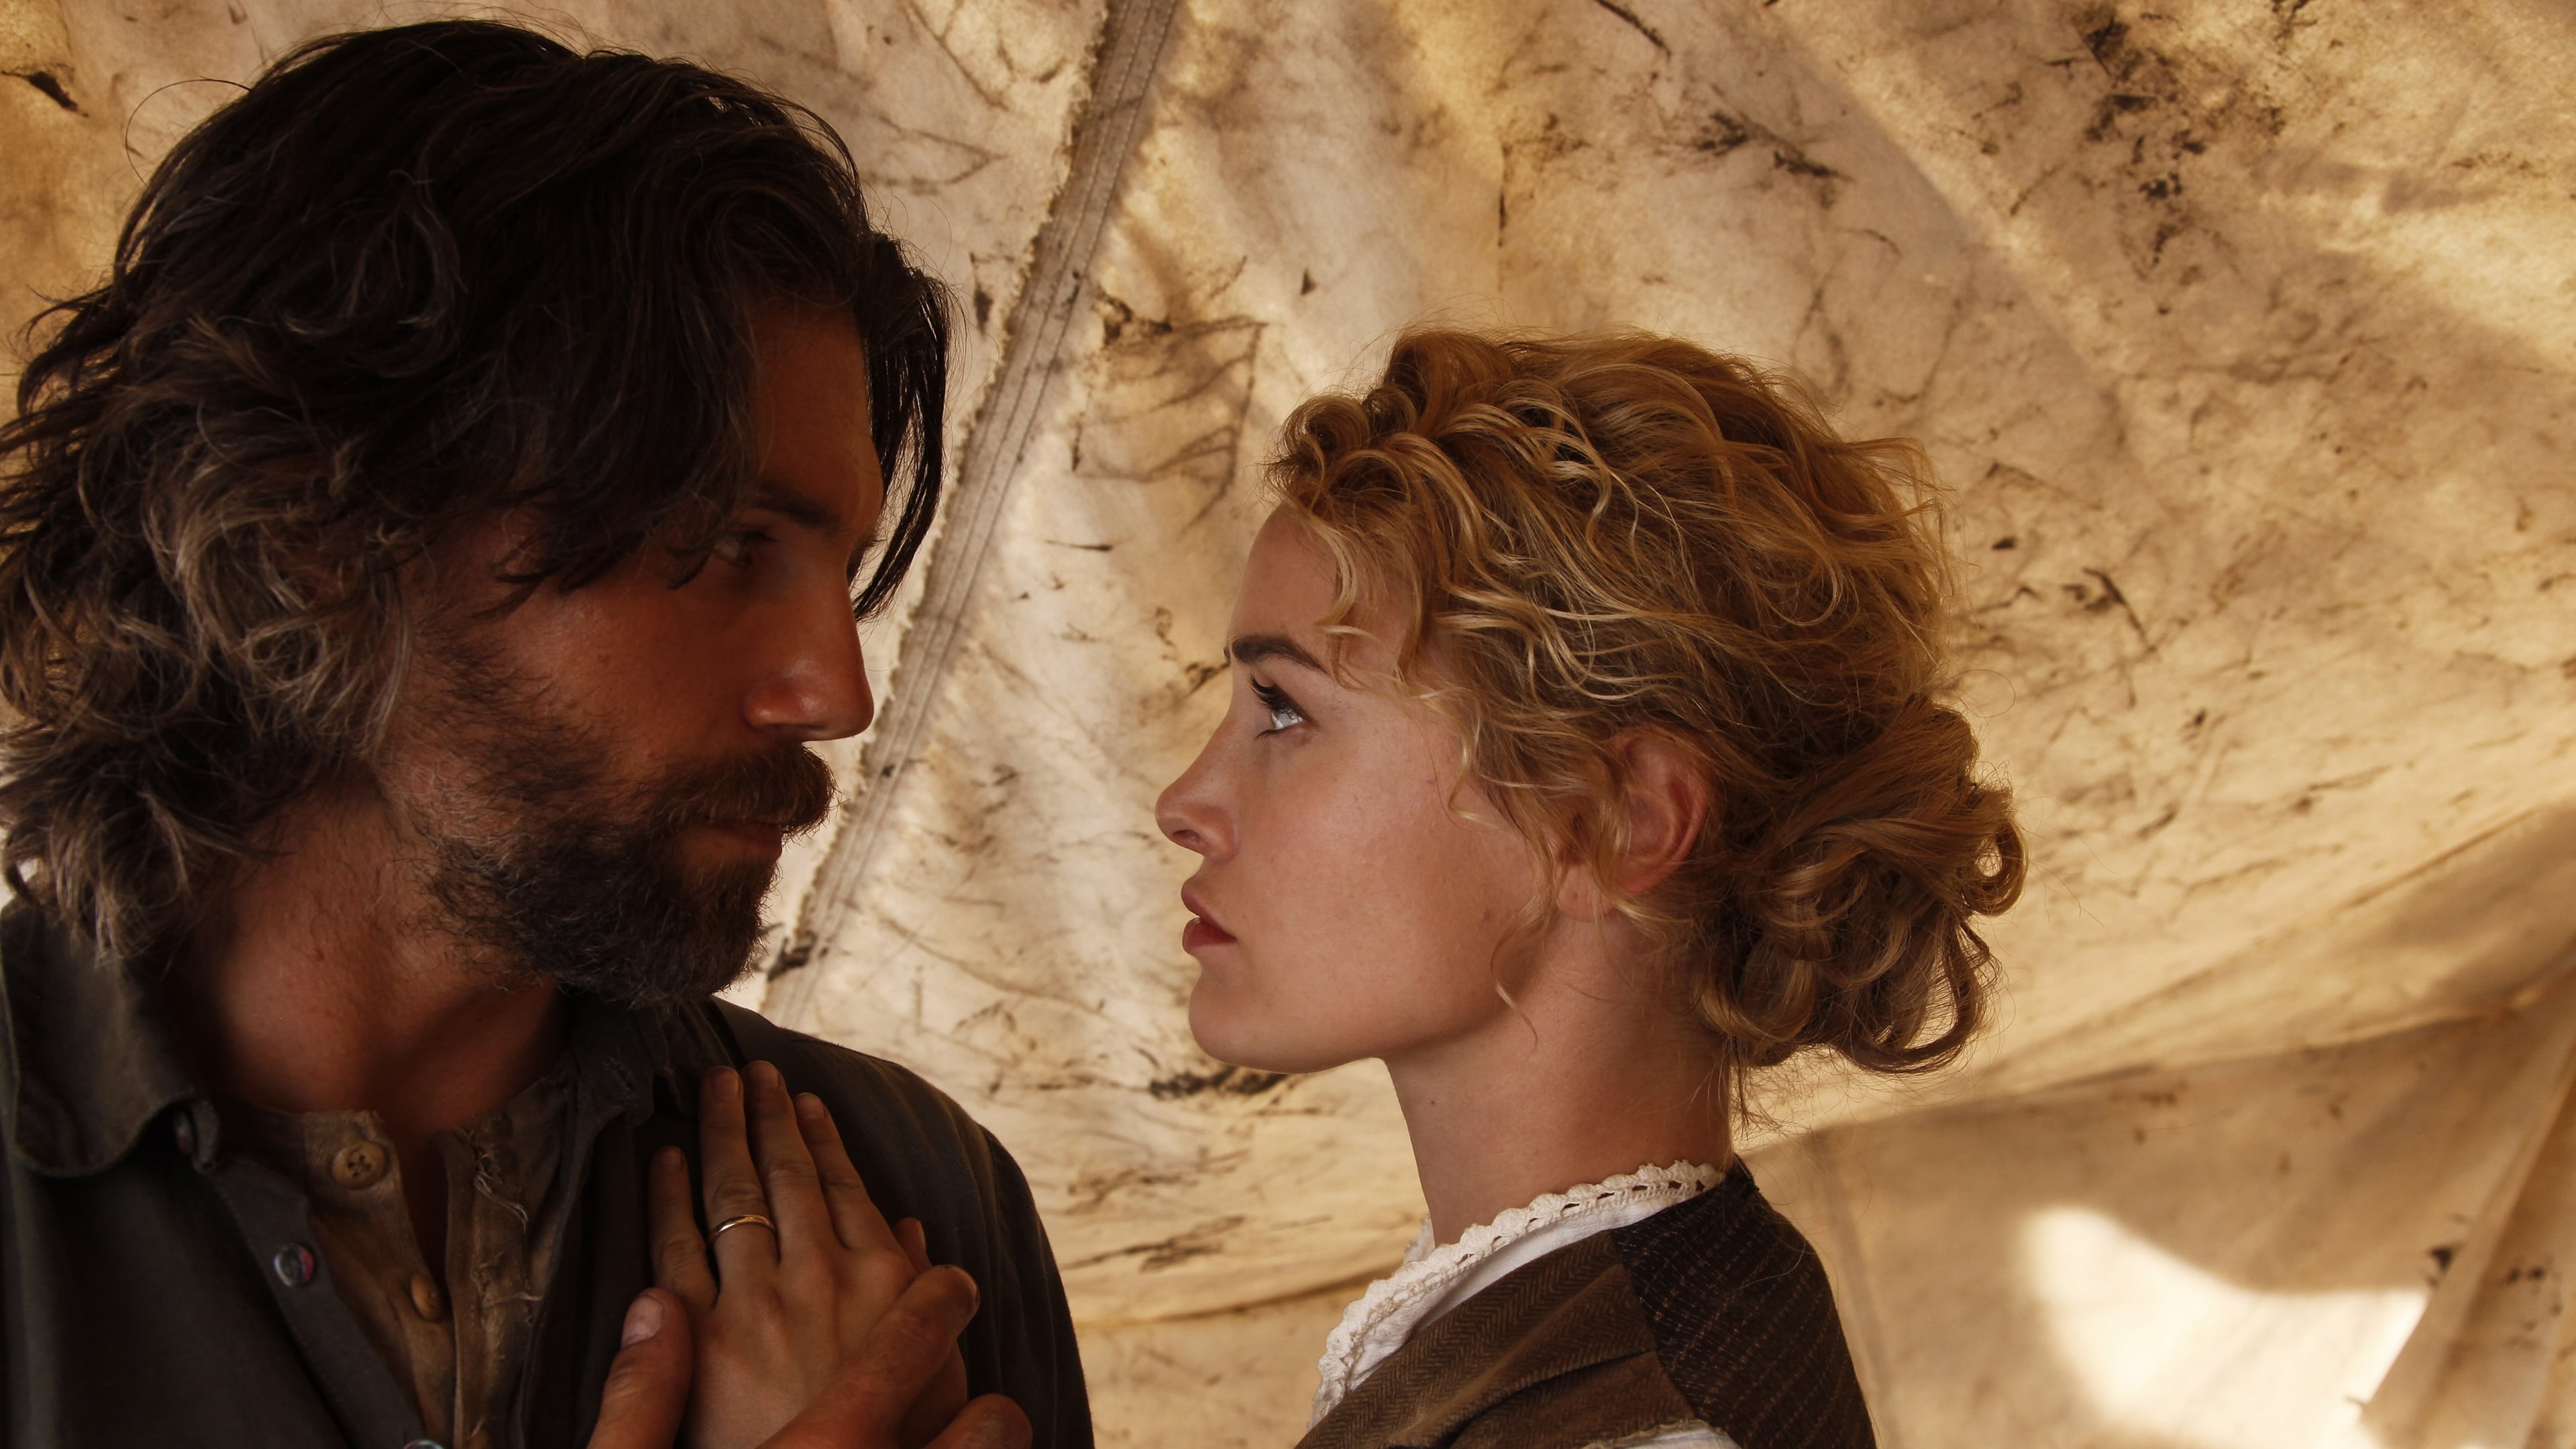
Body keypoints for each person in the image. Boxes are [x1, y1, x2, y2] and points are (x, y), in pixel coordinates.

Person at [0, 20, 1087, 1448]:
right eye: (732, 545)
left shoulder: (919, 1212)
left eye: (843, 572)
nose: (836, 694)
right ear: (317, 537)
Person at [1156, 329, 2027, 1448]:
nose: (1185, 801)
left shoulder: (1648, 1423)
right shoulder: (1641, 1292)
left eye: (1284, 710)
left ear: (1610, 825)